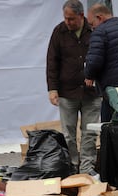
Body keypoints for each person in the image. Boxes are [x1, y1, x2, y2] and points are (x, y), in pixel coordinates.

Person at [46, 0, 102, 178]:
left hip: (91, 93)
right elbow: (52, 61)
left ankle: (86, 168)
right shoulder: (59, 31)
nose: (67, 22)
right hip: (67, 92)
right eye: (65, 18)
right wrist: (52, 89)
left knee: (90, 132)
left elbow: (103, 56)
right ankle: (72, 165)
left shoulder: (94, 31)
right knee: (68, 134)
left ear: (81, 16)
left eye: (71, 19)